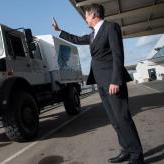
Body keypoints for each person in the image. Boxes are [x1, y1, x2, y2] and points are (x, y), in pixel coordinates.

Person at [52, 3, 144, 164]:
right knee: (114, 120)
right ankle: (126, 150)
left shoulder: (110, 27)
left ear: (94, 15)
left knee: (123, 118)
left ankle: (137, 156)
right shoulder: (93, 34)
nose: (85, 19)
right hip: (100, 82)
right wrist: (59, 31)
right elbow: (77, 39)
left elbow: (117, 54)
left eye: (86, 16)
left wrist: (116, 80)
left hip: (112, 82)